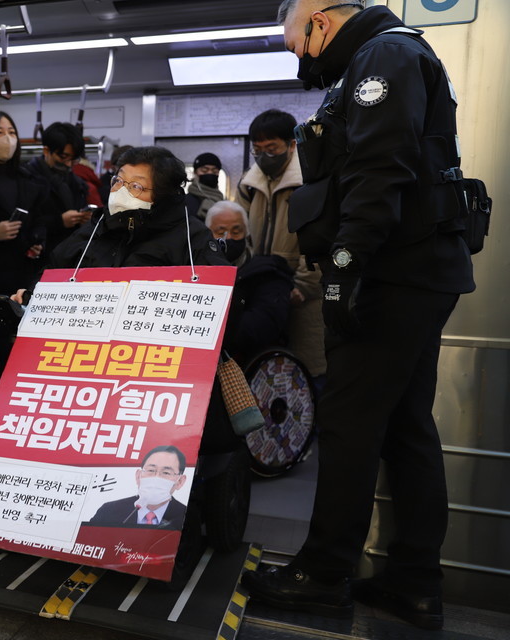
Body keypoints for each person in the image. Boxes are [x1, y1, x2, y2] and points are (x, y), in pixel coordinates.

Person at [242, 2, 475, 630]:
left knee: (348, 422)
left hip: (391, 274)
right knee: (403, 425)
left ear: (319, 21)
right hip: (412, 271)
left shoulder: (384, 56)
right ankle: (413, 581)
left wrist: (344, 267)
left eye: (295, 43)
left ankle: (323, 573)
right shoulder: (389, 55)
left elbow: (379, 171)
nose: (298, 57)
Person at [238, 109, 326, 383]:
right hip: (260, 289)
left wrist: (303, 286)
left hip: (301, 293)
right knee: (262, 370)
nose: (264, 155)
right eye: (258, 149)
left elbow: (321, 241)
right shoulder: (248, 184)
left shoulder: (310, 182)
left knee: (304, 372)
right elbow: (240, 235)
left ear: (292, 145)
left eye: (272, 147)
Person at [40, 145, 227, 273]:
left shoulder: (192, 237)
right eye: (119, 181)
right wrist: (30, 295)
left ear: (163, 195)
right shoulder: (96, 228)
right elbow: (51, 271)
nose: (121, 191)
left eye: (136, 186)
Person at [0, 111, 46, 418]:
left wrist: (36, 242)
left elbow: (40, 221)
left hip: (21, 275)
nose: (8, 139)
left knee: (17, 352)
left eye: (12, 131)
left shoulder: (27, 179)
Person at [205, 200, 294, 367]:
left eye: (236, 231)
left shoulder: (267, 273)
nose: (228, 237)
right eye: (220, 231)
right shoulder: (196, 272)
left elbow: (262, 326)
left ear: (247, 234)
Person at [24, 122, 91, 252]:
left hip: (69, 253)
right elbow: (25, 223)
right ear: (46, 150)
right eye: (63, 157)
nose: (68, 164)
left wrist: (85, 219)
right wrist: (59, 222)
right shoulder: (26, 179)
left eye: (73, 160)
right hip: (39, 255)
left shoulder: (77, 183)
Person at [88, 446, 189, 530]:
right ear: (138, 476)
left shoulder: (186, 516)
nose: (156, 477)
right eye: (151, 470)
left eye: (166, 472)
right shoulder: (109, 510)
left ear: (180, 482)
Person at [185, 152, 224, 220]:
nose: (210, 173)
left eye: (214, 171)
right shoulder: (186, 201)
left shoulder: (221, 199)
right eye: (204, 170)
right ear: (195, 172)